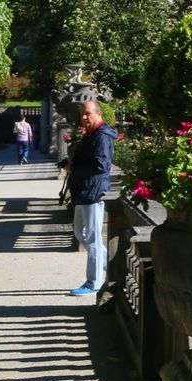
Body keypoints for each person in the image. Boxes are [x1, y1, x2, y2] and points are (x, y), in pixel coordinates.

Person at [66, 101, 116, 296]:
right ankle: (113, 267)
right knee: (80, 233)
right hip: (84, 191)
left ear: (98, 113)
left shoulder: (102, 135)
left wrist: (74, 168)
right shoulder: (92, 134)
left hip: (94, 191)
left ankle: (93, 283)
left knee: (93, 238)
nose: (84, 118)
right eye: (82, 115)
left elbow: (101, 166)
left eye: (87, 114)